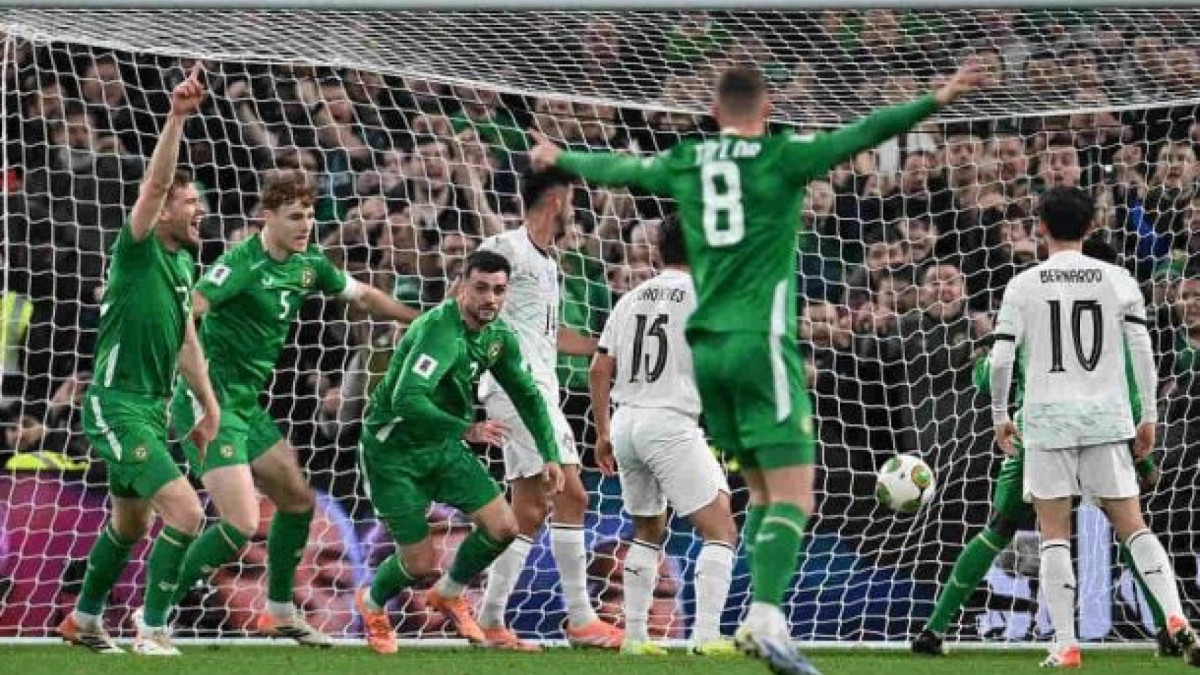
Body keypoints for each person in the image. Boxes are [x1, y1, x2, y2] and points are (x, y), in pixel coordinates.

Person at [532, 62, 985, 675]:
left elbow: (624, 169)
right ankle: (765, 616)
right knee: (798, 492)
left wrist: (561, 157)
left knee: (763, 492)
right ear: (767, 110)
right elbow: (865, 132)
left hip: (708, 362)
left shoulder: (690, 161)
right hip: (759, 345)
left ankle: (740, 620)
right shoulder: (780, 158)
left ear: (714, 114)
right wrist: (938, 96)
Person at [167, 169, 418, 646]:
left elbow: (364, 295)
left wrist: (420, 318)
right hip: (208, 403)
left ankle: (279, 610)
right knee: (240, 526)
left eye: (309, 215)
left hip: (246, 406)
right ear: (267, 217)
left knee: (298, 501)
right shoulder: (241, 263)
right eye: (294, 217)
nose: (305, 225)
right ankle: (152, 613)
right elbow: (188, 310)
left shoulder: (308, 264)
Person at [912, 233, 1174, 657]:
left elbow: (987, 375)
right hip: (1101, 434)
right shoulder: (1113, 330)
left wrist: (984, 365)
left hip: (1040, 436)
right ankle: (1166, 627)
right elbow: (1130, 387)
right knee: (1129, 531)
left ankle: (935, 630)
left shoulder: (1034, 300)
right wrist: (1142, 456)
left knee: (1003, 530)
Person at [990, 186, 1200, 668]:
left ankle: (1065, 644)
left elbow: (1001, 359)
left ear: (1039, 226)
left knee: (1054, 534)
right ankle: (1174, 617)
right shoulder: (1119, 279)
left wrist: (1001, 416)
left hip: (1047, 420)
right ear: (1091, 228)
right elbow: (1143, 354)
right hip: (1106, 417)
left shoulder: (1023, 284)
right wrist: (1147, 415)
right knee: (1133, 524)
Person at [58, 63, 221, 656]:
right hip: (114, 404)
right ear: (166, 212)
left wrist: (208, 404)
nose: (199, 209)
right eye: (190, 201)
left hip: (151, 409)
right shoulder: (138, 248)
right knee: (184, 512)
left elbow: (185, 339)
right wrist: (176, 117)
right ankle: (151, 628)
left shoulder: (182, 265)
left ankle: (84, 619)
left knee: (131, 526)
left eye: (199, 200)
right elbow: (153, 188)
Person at [355, 250, 565, 655]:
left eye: (499, 290)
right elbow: (406, 400)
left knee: (504, 527)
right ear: (461, 285)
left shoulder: (496, 336)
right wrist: (467, 429)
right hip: (393, 452)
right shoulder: (439, 331)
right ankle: (372, 603)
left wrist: (550, 454)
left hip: (441, 445)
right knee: (418, 564)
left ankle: (449, 593)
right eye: (481, 288)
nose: (490, 298)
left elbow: (528, 394)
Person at [476, 169, 622, 650]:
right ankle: (580, 619)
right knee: (571, 497)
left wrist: (608, 348)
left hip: (540, 389)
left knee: (531, 511)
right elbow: (468, 310)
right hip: (518, 391)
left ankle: (488, 617)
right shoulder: (506, 249)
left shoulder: (549, 265)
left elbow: (552, 338)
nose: (575, 209)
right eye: (574, 200)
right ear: (557, 201)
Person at [589, 220, 738, 656]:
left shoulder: (630, 298)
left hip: (625, 423)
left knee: (647, 530)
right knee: (721, 530)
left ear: (659, 253)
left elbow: (599, 368)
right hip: (669, 422)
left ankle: (635, 639)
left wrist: (601, 433)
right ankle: (706, 637)